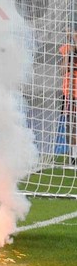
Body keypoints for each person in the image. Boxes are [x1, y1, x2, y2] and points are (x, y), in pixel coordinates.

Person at [59, 28, 77, 164]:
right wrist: (67, 55)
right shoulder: (66, 49)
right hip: (70, 94)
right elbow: (63, 70)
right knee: (71, 125)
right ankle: (73, 157)